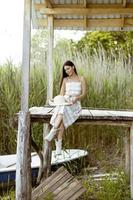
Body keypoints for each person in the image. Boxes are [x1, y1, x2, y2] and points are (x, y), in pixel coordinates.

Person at [45, 60, 86, 155]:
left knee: (62, 110)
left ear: (73, 67)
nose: (67, 71)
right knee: (62, 110)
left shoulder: (81, 78)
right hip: (65, 102)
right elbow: (61, 94)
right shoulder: (65, 80)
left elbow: (84, 94)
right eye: (65, 70)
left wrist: (76, 98)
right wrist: (57, 100)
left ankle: (53, 131)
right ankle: (58, 146)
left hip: (75, 103)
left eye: (68, 68)